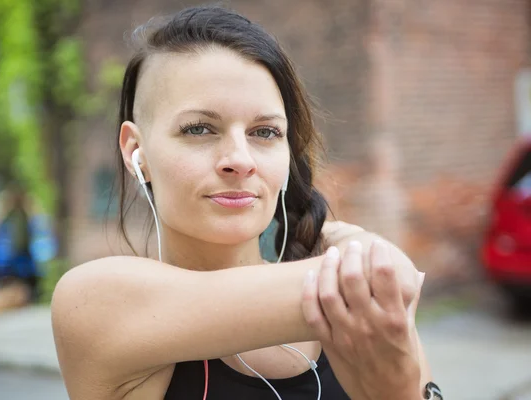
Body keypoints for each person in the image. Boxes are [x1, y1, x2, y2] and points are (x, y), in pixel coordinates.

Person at [52, 6, 438, 400]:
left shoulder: (366, 295)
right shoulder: (94, 303)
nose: (240, 159)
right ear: (137, 152)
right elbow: (391, 277)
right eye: (199, 128)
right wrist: (358, 247)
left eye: (265, 132)